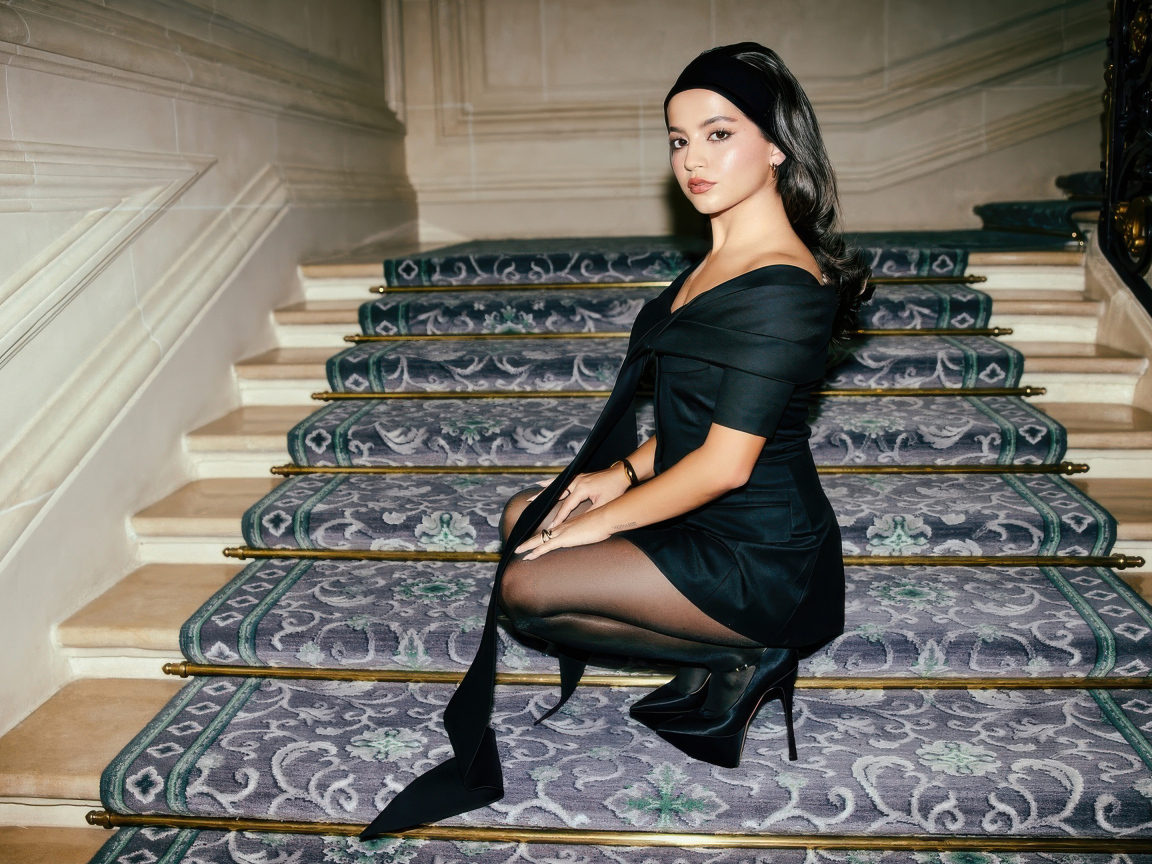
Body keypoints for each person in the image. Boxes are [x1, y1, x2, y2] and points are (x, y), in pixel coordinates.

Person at [362, 42, 872, 840]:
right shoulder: (717, 259)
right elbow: (696, 418)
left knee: (529, 586)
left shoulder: (783, 283)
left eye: (718, 133)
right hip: (705, 504)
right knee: (522, 520)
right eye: (678, 140)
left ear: (776, 144)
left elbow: (728, 461)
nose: (693, 160)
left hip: (763, 551)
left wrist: (606, 520)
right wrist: (616, 474)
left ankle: (751, 645)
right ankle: (720, 655)